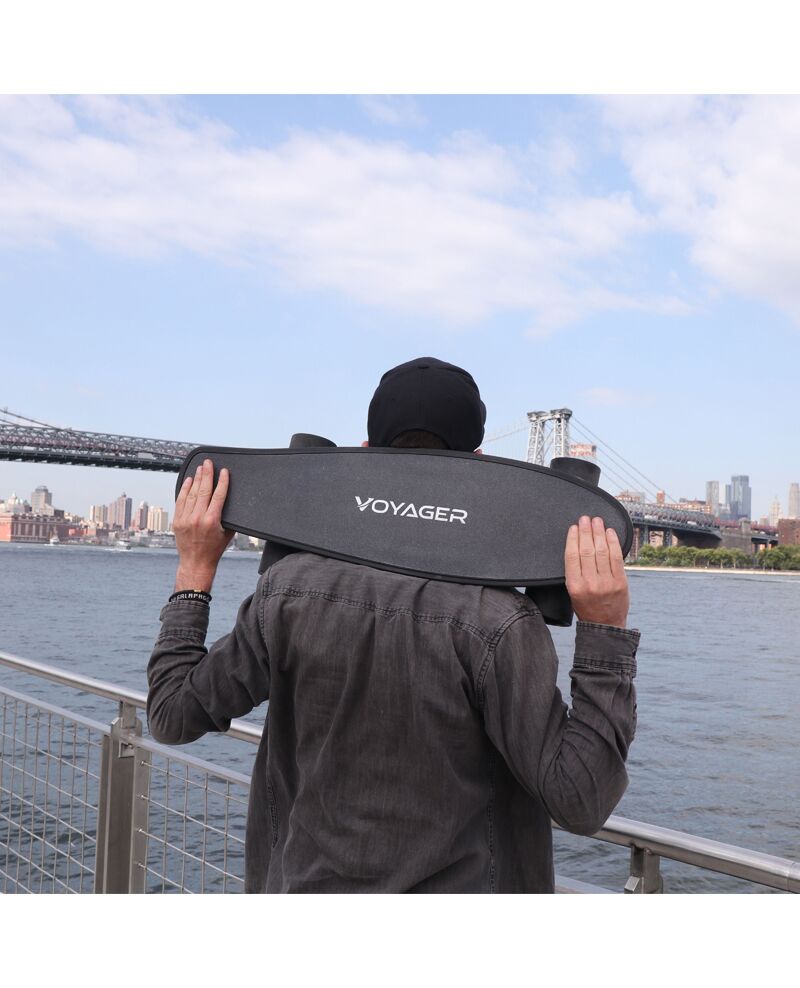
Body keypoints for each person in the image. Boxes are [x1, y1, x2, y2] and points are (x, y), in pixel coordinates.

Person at [147, 357, 639, 893]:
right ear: (477, 468)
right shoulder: (499, 621)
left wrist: (195, 568)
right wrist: (604, 630)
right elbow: (581, 799)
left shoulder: (284, 592)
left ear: (365, 455)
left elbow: (172, 715)